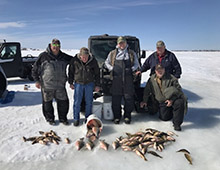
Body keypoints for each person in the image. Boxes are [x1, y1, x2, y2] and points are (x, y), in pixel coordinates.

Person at [32, 38, 72, 125]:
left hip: (60, 85)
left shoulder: (64, 57)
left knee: (64, 103)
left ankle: (63, 118)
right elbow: (35, 69)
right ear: (50, 45)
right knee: (47, 104)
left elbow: (75, 61)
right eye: (54, 45)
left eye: (57, 45)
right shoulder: (43, 56)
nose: (56, 47)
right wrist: (37, 80)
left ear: (60, 46)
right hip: (47, 85)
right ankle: (50, 119)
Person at [140, 64, 187, 131]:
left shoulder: (171, 78)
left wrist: (172, 100)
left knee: (179, 102)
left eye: (161, 69)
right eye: (158, 70)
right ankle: (169, 110)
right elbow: (147, 91)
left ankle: (177, 124)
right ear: (155, 71)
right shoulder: (152, 79)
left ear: (164, 69)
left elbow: (179, 91)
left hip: (170, 99)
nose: (160, 71)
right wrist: (144, 101)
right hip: (160, 101)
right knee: (164, 117)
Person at [105, 36, 140, 124]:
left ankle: (127, 116)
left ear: (126, 43)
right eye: (120, 43)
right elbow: (106, 62)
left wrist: (132, 69)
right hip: (116, 79)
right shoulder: (113, 53)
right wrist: (111, 68)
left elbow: (137, 64)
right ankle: (117, 117)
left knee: (129, 99)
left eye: (123, 43)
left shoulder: (131, 53)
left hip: (128, 79)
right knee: (116, 100)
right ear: (118, 44)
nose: (122, 45)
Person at [68, 47, 100, 126]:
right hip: (78, 83)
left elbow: (97, 74)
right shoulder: (75, 61)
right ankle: (76, 119)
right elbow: (70, 72)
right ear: (80, 56)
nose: (85, 59)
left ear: (88, 55)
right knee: (77, 102)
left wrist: (97, 85)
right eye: (83, 57)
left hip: (89, 84)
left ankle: (88, 118)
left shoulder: (93, 61)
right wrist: (70, 82)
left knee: (89, 102)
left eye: (86, 57)